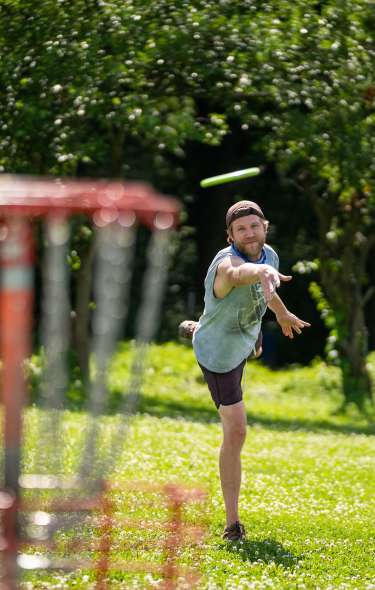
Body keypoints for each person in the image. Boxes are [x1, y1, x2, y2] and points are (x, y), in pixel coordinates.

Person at [187, 200, 310, 541]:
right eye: (241, 229)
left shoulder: (270, 255)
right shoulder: (225, 265)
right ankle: (232, 524)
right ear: (230, 235)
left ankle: (199, 328)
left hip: (243, 337)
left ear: (264, 226)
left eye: (254, 226)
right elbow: (240, 276)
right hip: (219, 354)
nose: (249, 233)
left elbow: (267, 292)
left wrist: (282, 312)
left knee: (254, 347)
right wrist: (260, 273)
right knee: (236, 431)